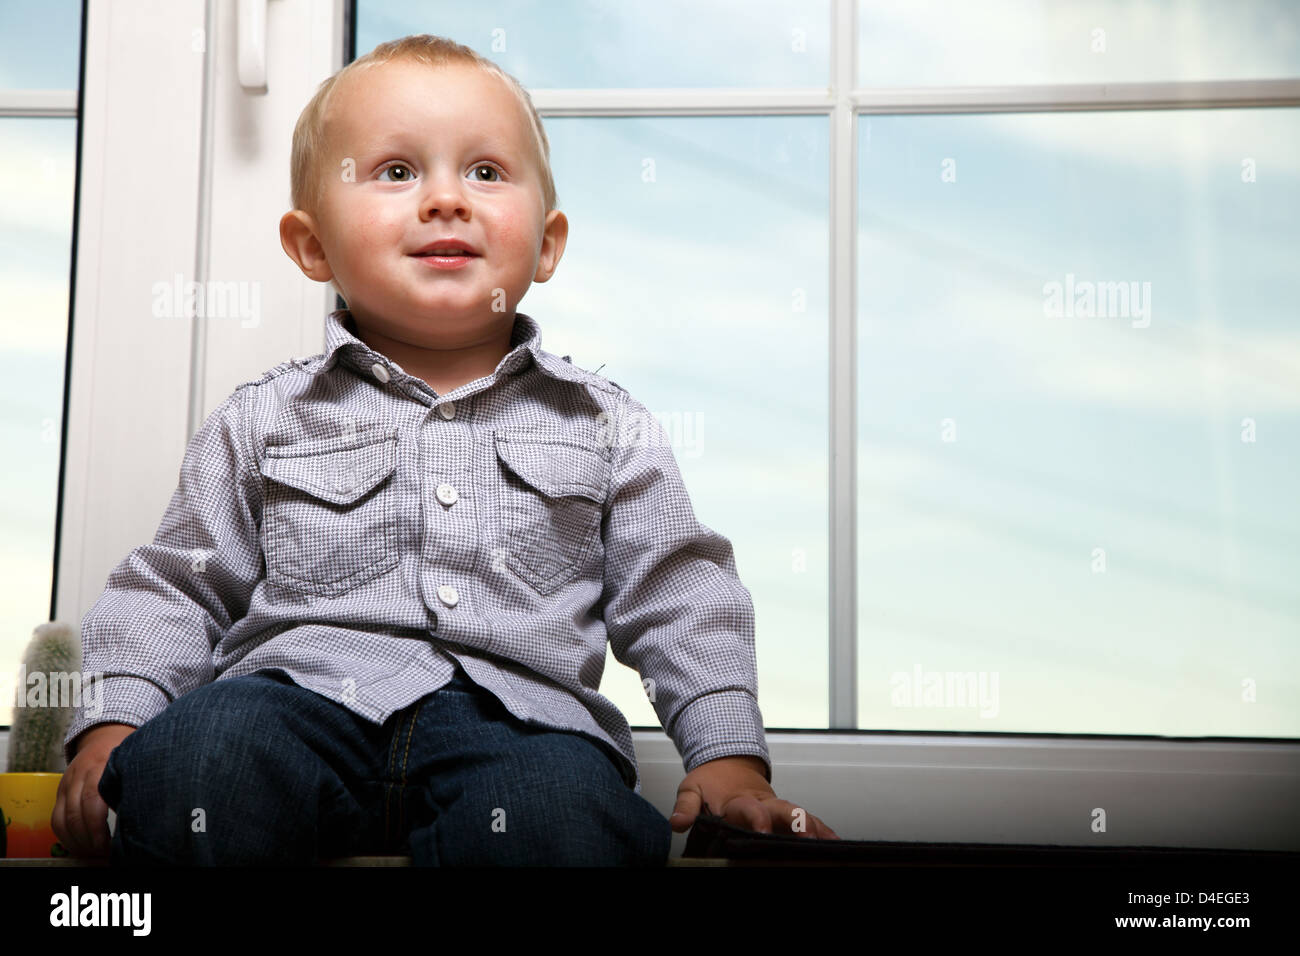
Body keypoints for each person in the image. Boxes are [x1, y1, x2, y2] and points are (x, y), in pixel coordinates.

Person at [51, 33, 839, 866]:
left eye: (487, 173)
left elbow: (682, 594)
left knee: (565, 817)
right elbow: (172, 586)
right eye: (396, 172)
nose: (446, 200)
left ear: (546, 243)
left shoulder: (607, 425)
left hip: (526, 728)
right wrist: (113, 723)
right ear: (312, 245)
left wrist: (729, 760)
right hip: (293, 704)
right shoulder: (261, 419)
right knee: (194, 760)